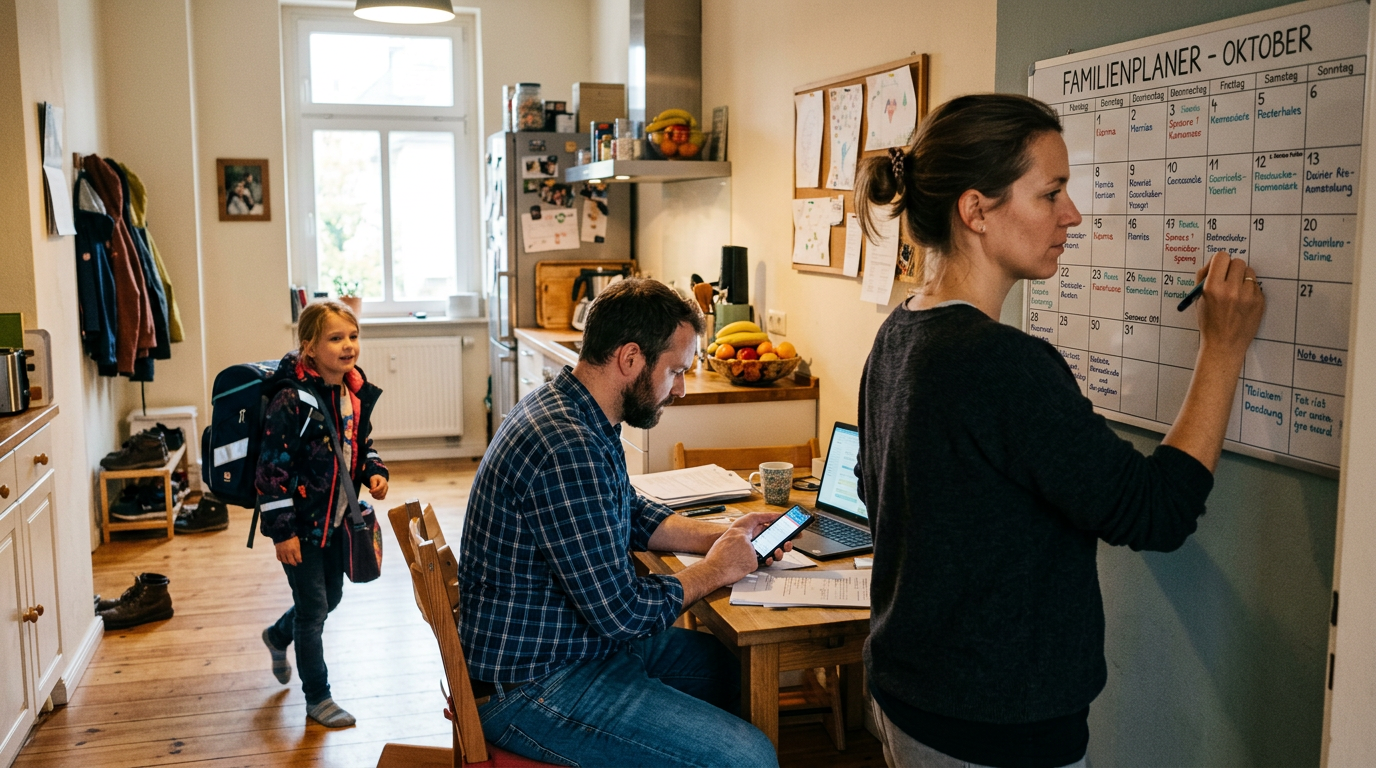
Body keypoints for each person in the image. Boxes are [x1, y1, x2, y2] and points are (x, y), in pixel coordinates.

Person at [852, 94, 1264, 768]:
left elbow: (886, 500)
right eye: (1051, 193)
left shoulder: (899, 333)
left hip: (908, 697)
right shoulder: (999, 362)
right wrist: (1222, 350)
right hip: (992, 730)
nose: (1071, 214)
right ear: (976, 210)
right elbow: (1157, 513)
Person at [459, 278, 784, 767]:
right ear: (630, 358)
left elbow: (626, 508)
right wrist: (716, 569)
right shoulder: (568, 446)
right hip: (534, 682)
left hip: (570, 644)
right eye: (674, 371)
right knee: (749, 758)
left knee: (742, 674)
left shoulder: (574, 407)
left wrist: (721, 536)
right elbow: (622, 614)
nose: (679, 389)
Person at [255, 300, 389, 728]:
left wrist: (374, 472)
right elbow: (270, 470)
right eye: (336, 338)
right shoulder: (291, 400)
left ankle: (278, 635)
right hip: (301, 527)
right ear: (309, 347)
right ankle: (319, 697)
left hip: (338, 522)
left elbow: (360, 445)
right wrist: (282, 534)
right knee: (313, 610)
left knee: (330, 598)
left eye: (353, 336)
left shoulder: (353, 391)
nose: (348, 346)